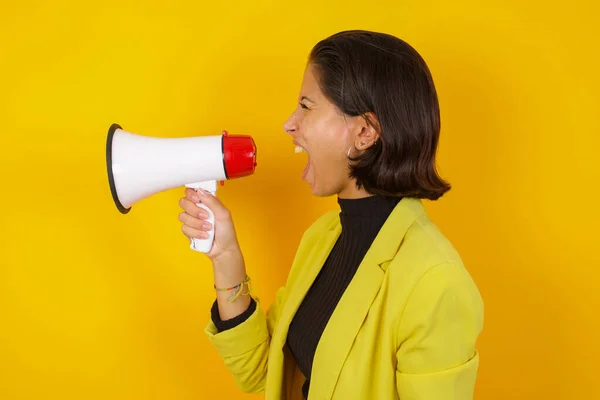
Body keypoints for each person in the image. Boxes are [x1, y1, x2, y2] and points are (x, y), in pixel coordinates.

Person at [178, 30, 484, 400]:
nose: (289, 124)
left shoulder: (436, 283)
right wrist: (225, 254)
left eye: (306, 106)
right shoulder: (323, 238)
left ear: (365, 132)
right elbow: (262, 373)